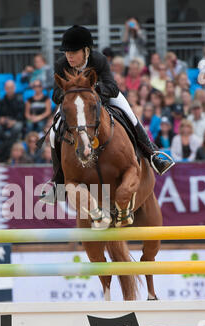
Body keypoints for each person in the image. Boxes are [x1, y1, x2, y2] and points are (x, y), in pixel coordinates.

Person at [40, 25, 174, 204]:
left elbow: (111, 86)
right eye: (67, 52)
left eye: (73, 51)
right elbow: (56, 95)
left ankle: (152, 153)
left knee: (130, 115)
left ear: (86, 50)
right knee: (54, 132)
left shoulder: (99, 59)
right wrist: (72, 95)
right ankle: (59, 181)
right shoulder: (61, 64)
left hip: (105, 98)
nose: (69, 56)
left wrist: (92, 95)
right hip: (75, 104)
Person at [0, 80, 24, 163]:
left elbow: (21, 115)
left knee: (17, 127)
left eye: (11, 87)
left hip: (15, 122)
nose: (10, 89)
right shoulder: (1, 102)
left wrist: (13, 121)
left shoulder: (19, 100)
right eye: (8, 88)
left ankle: (9, 145)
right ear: (5, 89)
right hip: (3, 124)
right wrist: (1, 120)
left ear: (14, 88)